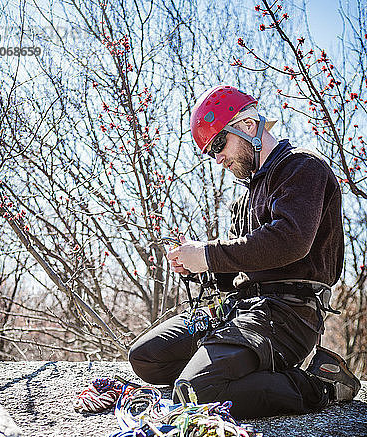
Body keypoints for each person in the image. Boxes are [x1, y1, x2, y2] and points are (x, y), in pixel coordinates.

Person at [129, 85, 361, 418]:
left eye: (219, 144)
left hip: (287, 315)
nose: (217, 158)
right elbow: (242, 262)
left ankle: (322, 384)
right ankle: (232, 369)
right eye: (211, 152)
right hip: (240, 309)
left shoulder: (302, 167)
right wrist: (200, 266)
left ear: (248, 126)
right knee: (146, 358)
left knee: (196, 392)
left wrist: (209, 254)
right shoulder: (249, 195)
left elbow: (290, 240)